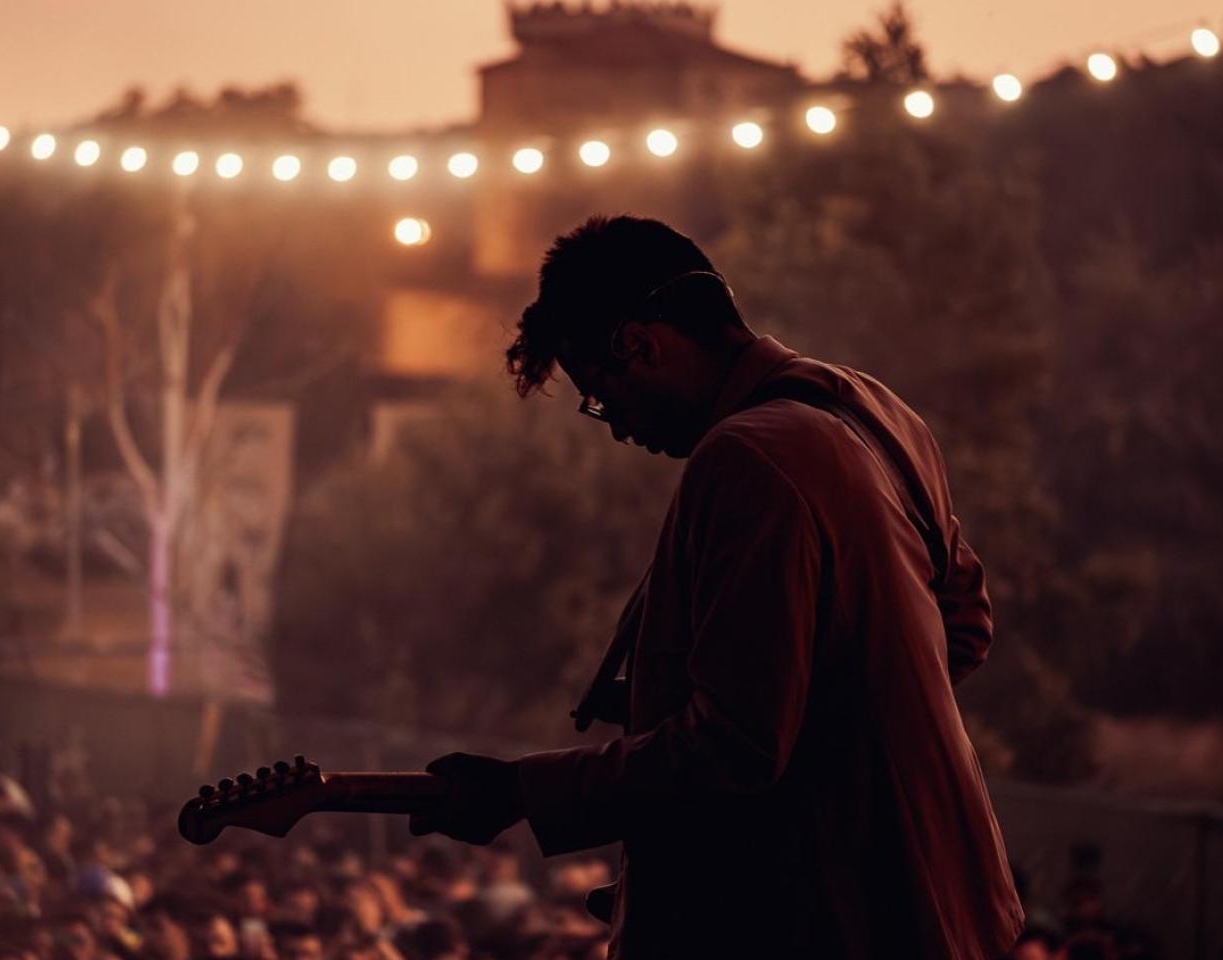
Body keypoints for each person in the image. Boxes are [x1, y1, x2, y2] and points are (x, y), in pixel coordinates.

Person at [408, 215, 1025, 958]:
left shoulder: (746, 459)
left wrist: (518, 791)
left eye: (602, 396)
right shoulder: (875, 411)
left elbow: (737, 748)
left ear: (640, 344)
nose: (614, 428)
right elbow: (961, 627)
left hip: (834, 922)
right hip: (933, 906)